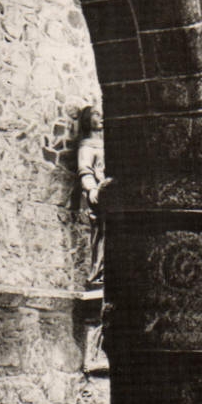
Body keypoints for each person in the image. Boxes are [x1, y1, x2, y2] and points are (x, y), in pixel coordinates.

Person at [77, 106, 109, 289]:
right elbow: (85, 170)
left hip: (110, 191)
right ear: (88, 120)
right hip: (98, 193)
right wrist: (91, 189)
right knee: (101, 233)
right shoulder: (86, 145)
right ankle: (96, 275)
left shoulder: (106, 144)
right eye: (96, 114)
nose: (101, 116)